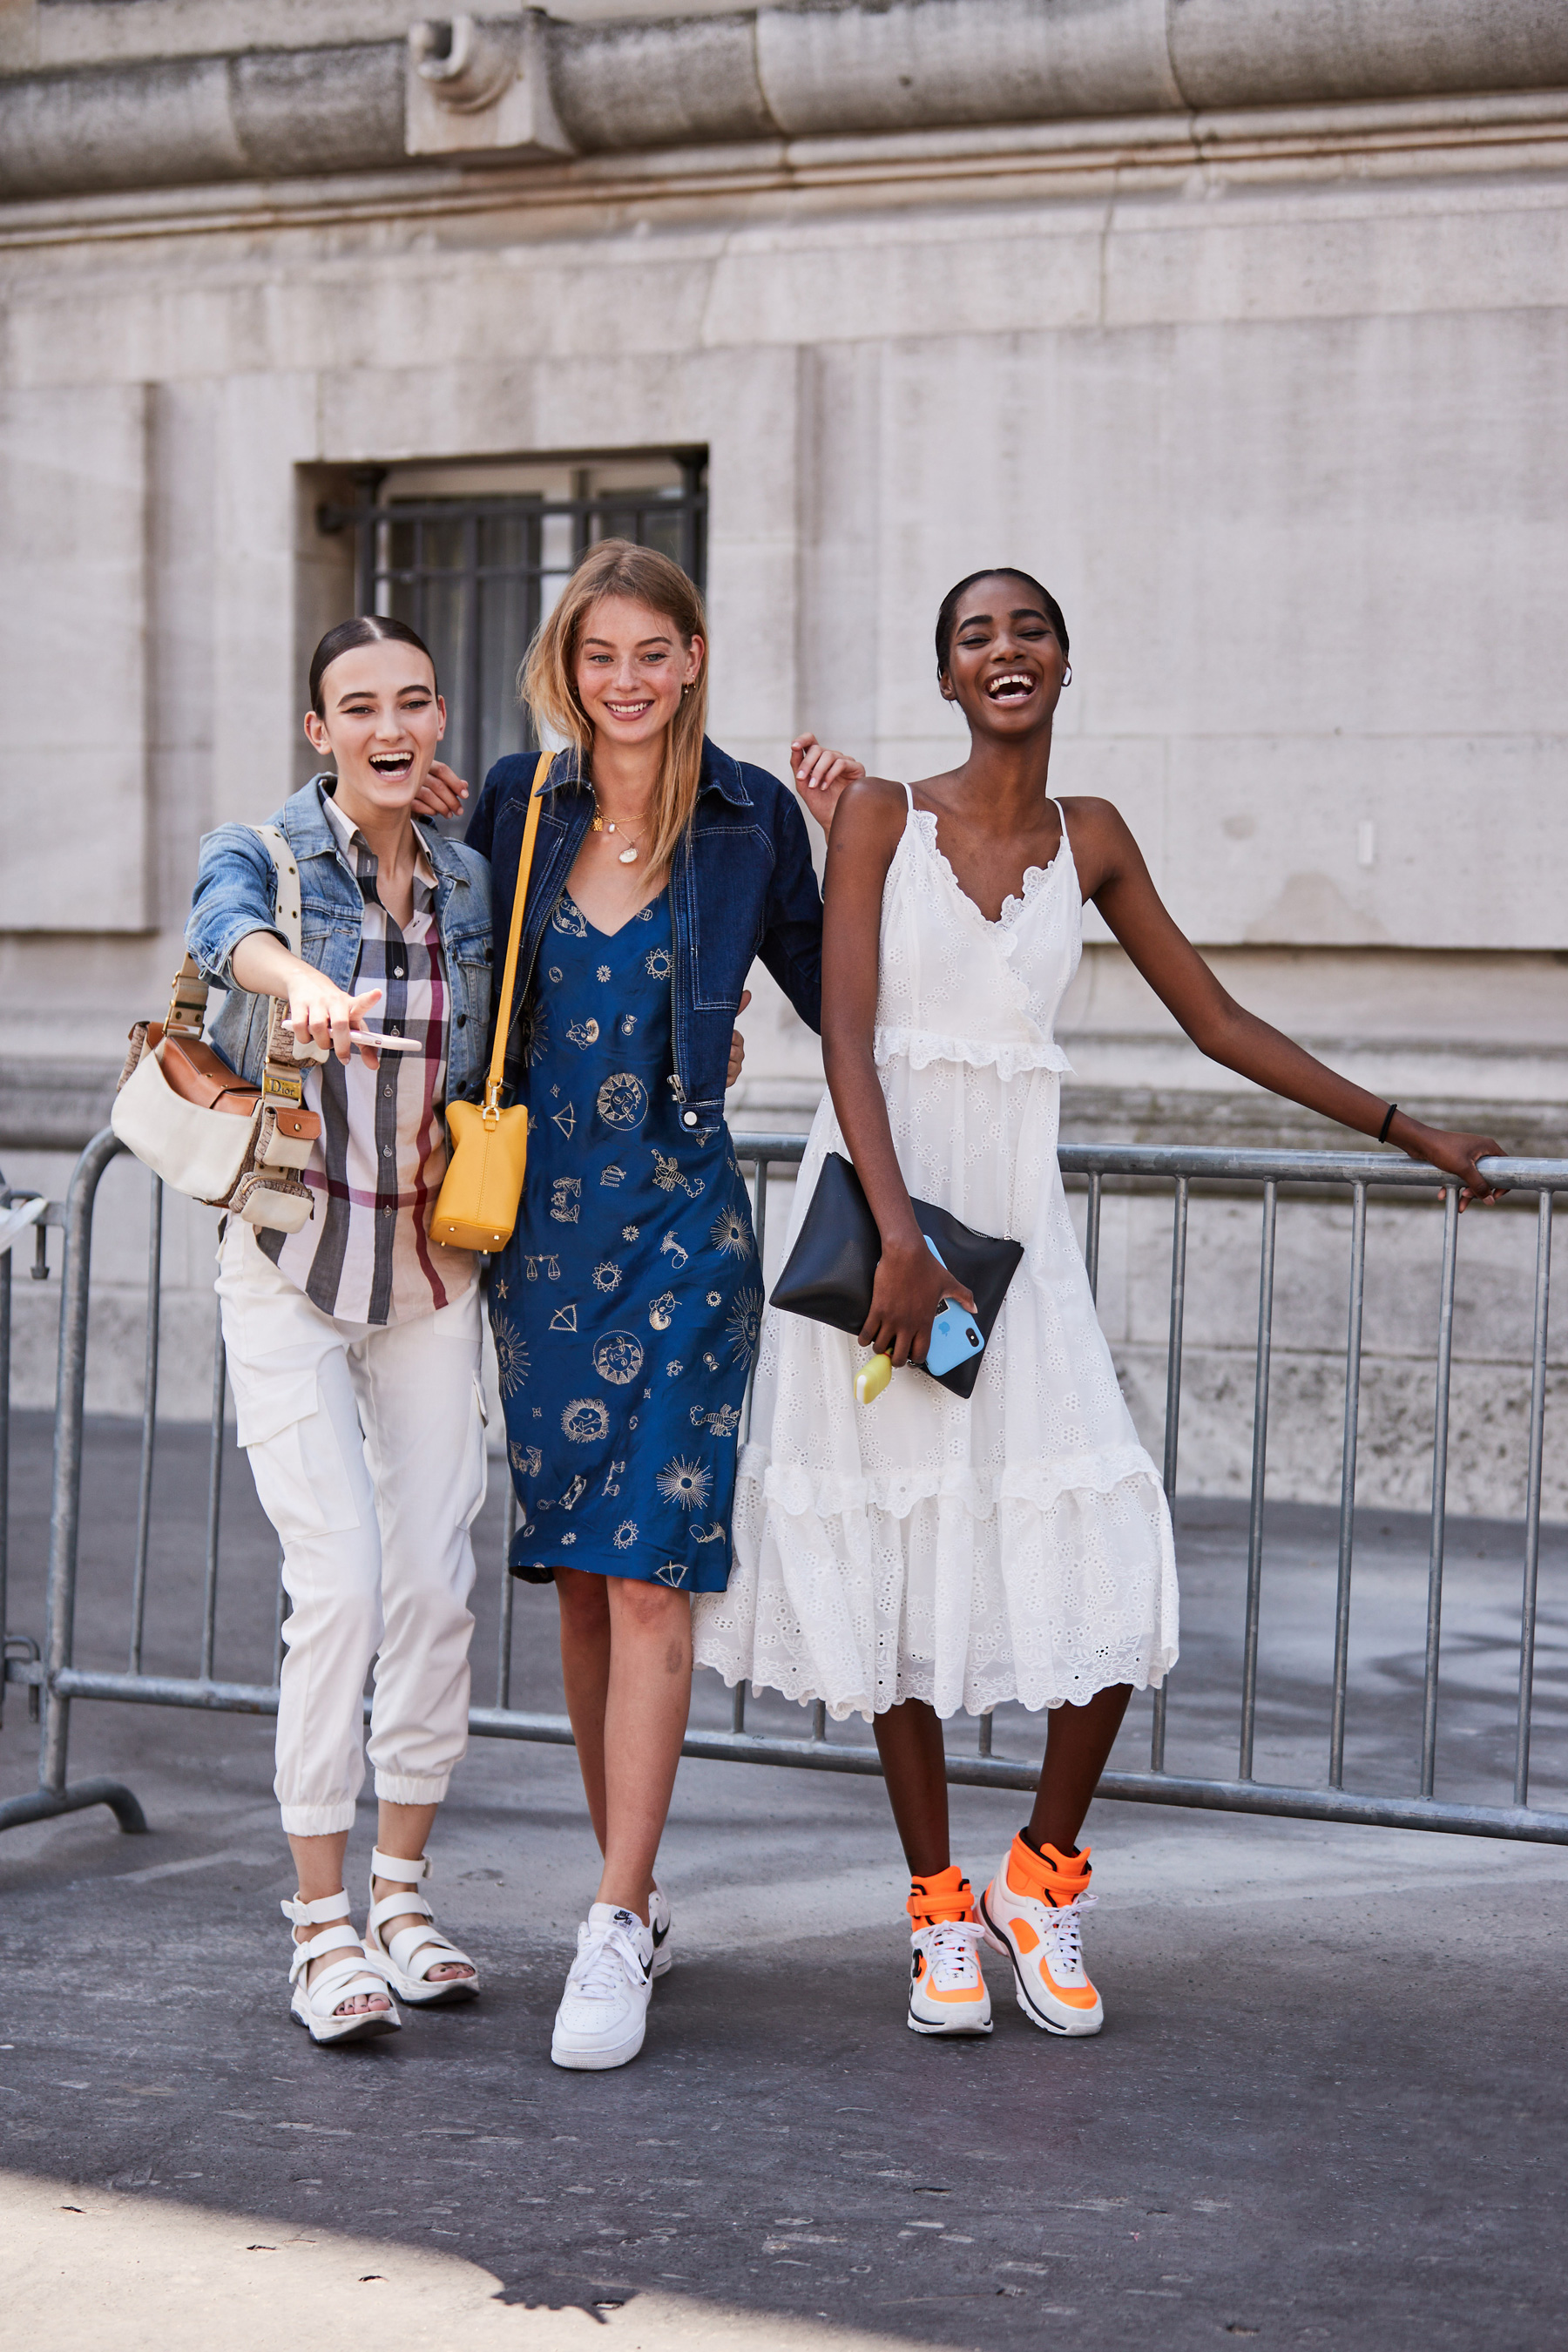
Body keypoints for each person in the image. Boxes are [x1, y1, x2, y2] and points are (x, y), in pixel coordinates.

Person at [693, 567, 1505, 2044]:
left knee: (1114, 1543)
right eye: (973, 637)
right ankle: (938, 1908)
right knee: (893, 1550)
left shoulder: (1098, 838)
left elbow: (1221, 1020)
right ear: (947, 679)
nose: (1004, 651)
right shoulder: (881, 815)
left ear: (1067, 662)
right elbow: (852, 1038)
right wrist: (894, 1243)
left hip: (1017, 1244)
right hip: (885, 1233)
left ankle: (1039, 1876)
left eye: (1028, 630)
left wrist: (1410, 1129)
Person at [461, 539, 826, 2071]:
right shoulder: (512, 802)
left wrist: (884, 830)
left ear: (692, 659)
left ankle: (611, 1921)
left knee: (656, 1571)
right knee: (583, 1574)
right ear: (570, 662)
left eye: (653, 654)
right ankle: (641, 1891)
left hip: (684, 1234)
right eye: (599, 654)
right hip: (538, 1243)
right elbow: (444, 954)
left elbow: (839, 986)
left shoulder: (751, 818)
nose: (627, 682)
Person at [186, 616, 493, 2044]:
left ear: (440, 721)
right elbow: (219, 923)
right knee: (346, 1588)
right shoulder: (264, 852)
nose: (391, 722)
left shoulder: (468, 879)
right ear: (321, 730)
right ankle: (318, 1925)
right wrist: (293, 980)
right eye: (360, 704)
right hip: (292, 1259)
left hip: (432, 1268)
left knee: (435, 1584)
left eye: (414, 701)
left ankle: (403, 1893)